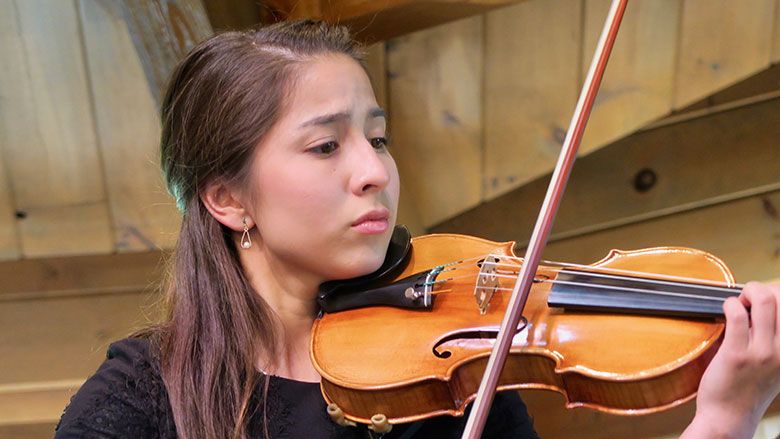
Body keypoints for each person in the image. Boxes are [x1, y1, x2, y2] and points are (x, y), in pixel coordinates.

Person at [54, 19, 780, 439]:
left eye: (379, 138)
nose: (375, 171)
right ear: (226, 198)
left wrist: (725, 418)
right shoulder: (139, 402)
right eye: (326, 145)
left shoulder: (456, 378)